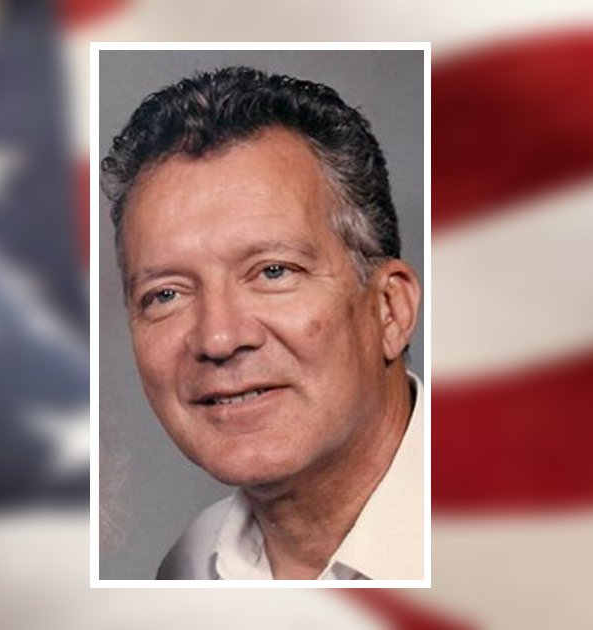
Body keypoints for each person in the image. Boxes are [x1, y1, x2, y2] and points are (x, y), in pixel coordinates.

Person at [101, 66, 423, 580]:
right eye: (166, 294)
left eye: (273, 272)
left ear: (390, 310)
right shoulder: (190, 569)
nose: (219, 338)